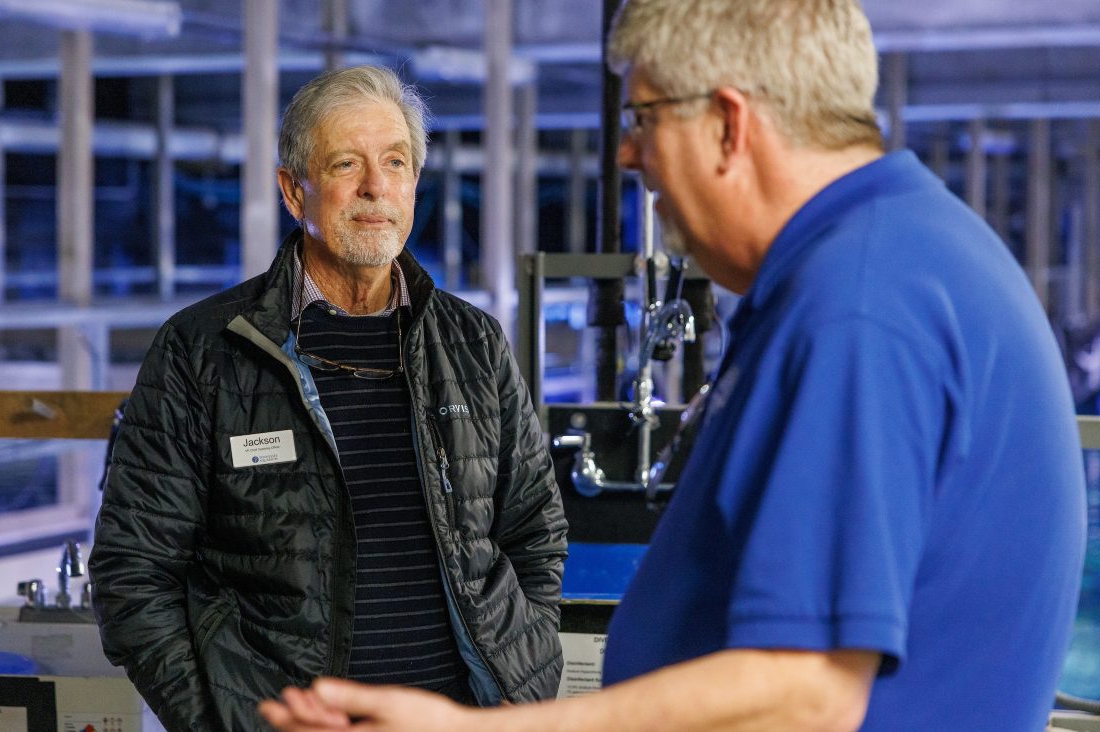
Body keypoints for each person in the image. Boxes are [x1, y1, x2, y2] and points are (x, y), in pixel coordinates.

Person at [259, 1, 1088, 731]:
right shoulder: (891, 257)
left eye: (643, 117)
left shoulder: (860, 303)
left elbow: (806, 693)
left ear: (729, 124)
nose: (627, 155)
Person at [89, 65, 568, 731]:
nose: (376, 187)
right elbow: (132, 572)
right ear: (294, 190)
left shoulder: (473, 344)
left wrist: (524, 678)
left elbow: (535, 531)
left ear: (413, 184)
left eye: (395, 162)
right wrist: (221, 722)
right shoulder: (203, 352)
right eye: (347, 163)